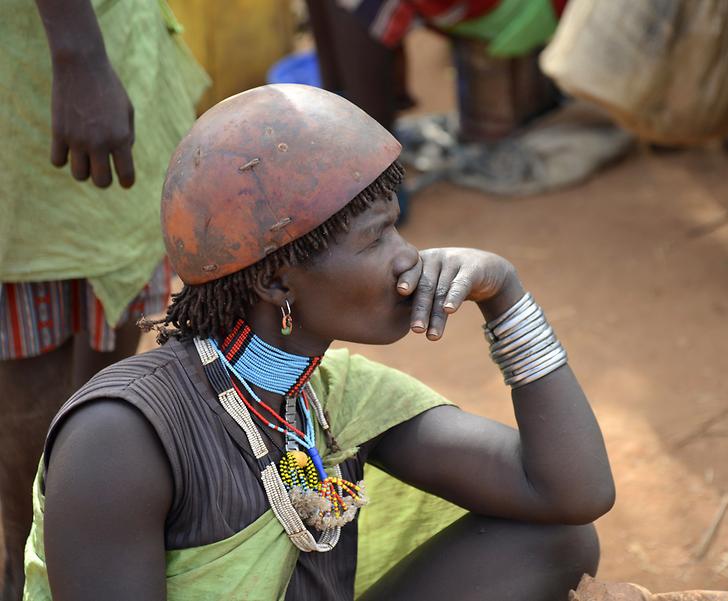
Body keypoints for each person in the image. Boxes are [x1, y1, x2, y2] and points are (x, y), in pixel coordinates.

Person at [23, 84, 614, 600]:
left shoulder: (329, 397)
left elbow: (568, 493)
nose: (408, 257)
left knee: (555, 543)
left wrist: (504, 296)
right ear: (277, 279)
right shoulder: (122, 436)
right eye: (377, 237)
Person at [0, 0, 206, 597]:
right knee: (29, 369)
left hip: (116, 46)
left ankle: (78, 545)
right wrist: (77, 52)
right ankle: (24, 559)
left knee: (102, 375)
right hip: (35, 72)